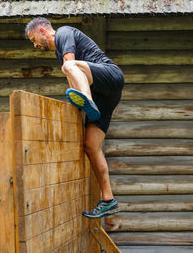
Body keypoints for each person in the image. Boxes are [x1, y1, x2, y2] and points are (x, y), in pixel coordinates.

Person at [25, 17, 124, 218]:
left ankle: (87, 100)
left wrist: (83, 100)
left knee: (67, 67)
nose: (35, 45)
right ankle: (108, 200)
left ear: (43, 31)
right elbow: (73, 79)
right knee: (91, 145)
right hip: (105, 94)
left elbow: (70, 67)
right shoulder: (59, 52)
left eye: (33, 39)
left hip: (110, 76)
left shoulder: (64, 33)